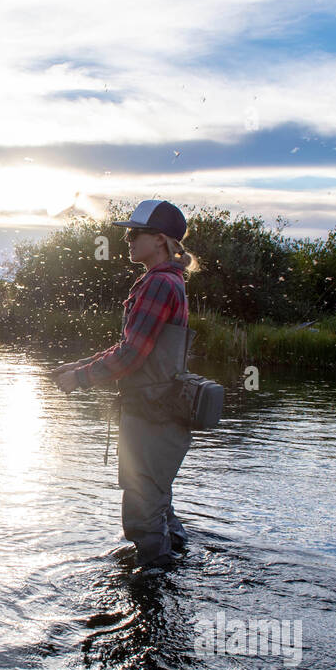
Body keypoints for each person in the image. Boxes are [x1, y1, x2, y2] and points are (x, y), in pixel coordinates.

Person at [48, 200, 196, 569]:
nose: (127, 241)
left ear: (160, 239)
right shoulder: (166, 279)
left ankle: (153, 588)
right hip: (159, 408)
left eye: (134, 234)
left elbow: (131, 356)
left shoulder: (158, 283)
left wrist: (79, 380)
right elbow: (134, 345)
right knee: (157, 499)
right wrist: (80, 364)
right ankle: (175, 567)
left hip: (150, 412)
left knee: (143, 512)